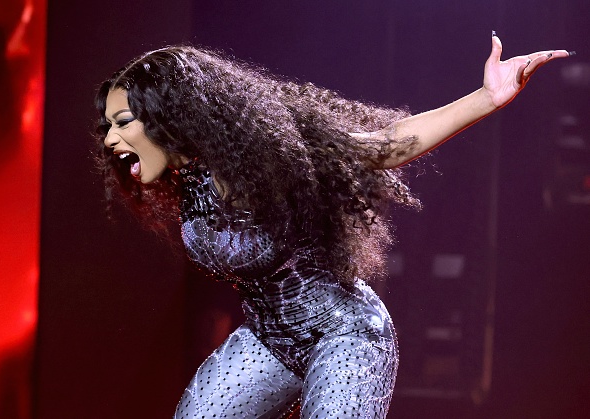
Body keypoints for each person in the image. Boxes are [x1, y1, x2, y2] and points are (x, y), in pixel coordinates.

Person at [95, 32, 571, 418]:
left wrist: (487, 98)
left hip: (346, 335)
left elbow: (385, 146)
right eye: (108, 126)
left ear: (170, 117)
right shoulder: (190, 176)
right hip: (269, 338)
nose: (111, 139)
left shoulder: (270, 153)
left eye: (123, 122)